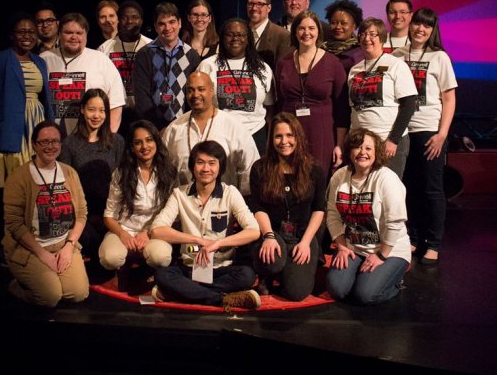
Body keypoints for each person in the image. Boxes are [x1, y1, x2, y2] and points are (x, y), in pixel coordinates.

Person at [147, 140, 261, 310]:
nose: (206, 169)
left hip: (222, 269)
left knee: (247, 275)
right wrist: (197, 240)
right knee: (163, 275)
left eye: (212, 163)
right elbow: (156, 230)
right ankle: (222, 299)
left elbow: (254, 231)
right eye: (200, 163)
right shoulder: (180, 194)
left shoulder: (230, 193)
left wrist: (218, 244)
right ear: (193, 166)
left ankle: (180, 292)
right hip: (189, 267)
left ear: (220, 167)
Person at [392, 8, 458, 265]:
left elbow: (449, 98)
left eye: (427, 26)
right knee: (408, 189)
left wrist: (442, 134)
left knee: (432, 190)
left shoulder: (439, 57)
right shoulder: (397, 56)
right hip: (403, 131)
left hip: (429, 130)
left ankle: (433, 244)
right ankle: (413, 238)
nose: (421, 29)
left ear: (433, 30)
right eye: (418, 23)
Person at [2, 120, 89, 307]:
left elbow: (82, 213)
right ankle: (17, 287)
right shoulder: (18, 177)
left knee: (78, 293)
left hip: (64, 245)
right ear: (34, 145)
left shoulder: (70, 173)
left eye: (55, 141)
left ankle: (53, 279)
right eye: (45, 142)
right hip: (31, 249)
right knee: (50, 297)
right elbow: (14, 223)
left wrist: (69, 246)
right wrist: (41, 254)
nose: (51, 146)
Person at [325, 128, 411, 305]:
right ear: (350, 151)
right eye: (357, 147)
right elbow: (332, 214)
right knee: (337, 290)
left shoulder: (387, 178)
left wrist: (381, 256)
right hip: (354, 247)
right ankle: (363, 274)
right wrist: (341, 246)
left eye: (368, 148)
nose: (362, 152)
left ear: (376, 152)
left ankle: (395, 281)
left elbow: (395, 222)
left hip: (389, 250)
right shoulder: (339, 177)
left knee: (365, 295)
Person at [248, 112, 326, 301]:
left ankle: (288, 271)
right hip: (273, 233)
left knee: (296, 292)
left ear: (298, 137)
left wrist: (306, 242)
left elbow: (319, 209)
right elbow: (258, 208)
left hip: (301, 235)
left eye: (290, 135)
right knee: (273, 260)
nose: (284, 141)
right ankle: (268, 273)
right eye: (278, 136)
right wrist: (268, 236)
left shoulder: (314, 169)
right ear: (271, 139)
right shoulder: (260, 168)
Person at [0, 12, 54, 199]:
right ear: (12, 35)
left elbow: (46, 99)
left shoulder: (40, 62)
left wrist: (52, 130)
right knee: (14, 193)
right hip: (10, 134)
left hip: (36, 126)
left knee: (36, 191)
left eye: (31, 32)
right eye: (21, 32)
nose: (27, 36)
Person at [100, 120, 177, 289]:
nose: (145, 146)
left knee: (161, 257)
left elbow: (172, 214)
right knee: (110, 257)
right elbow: (109, 216)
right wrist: (122, 234)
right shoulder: (122, 173)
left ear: (157, 141)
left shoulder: (169, 173)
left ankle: (147, 272)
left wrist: (149, 232)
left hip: (154, 231)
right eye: (138, 142)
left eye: (149, 140)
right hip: (125, 230)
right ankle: (124, 269)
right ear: (132, 147)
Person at [58, 89, 125, 273]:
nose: (97, 116)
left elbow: (122, 183)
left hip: (110, 214)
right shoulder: (69, 144)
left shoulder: (117, 142)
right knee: (90, 242)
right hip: (82, 215)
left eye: (102, 111)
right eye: (91, 110)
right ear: (82, 110)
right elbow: (66, 187)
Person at [162, 71, 260, 196]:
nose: (195, 94)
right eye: (190, 90)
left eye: (201, 89)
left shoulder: (233, 126)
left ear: (212, 90)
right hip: (184, 208)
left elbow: (249, 168)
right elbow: (164, 172)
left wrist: (242, 202)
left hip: (224, 207)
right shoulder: (174, 129)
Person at [275, 11, 349, 175]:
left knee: (318, 181)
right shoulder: (283, 63)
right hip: (289, 134)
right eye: (301, 28)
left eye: (311, 28)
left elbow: (342, 109)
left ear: (318, 31)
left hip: (321, 133)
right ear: (295, 32)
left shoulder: (333, 63)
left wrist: (340, 144)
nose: (306, 33)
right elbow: (279, 103)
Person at [348, 17, 417, 179]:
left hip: (388, 140)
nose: (367, 38)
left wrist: (393, 140)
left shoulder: (396, 65)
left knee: (388, 191)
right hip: (361, 144)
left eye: (373, 34)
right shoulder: (354, 70)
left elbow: (409, 104)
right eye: (363, 34)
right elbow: (351, 108)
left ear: (382, 38)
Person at [198, 17, 275, 154]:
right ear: (222, 38)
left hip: (255, 134)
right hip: (218, 134)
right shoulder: (208, 65)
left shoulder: (263, 68)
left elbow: (270, 109)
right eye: (230, 34)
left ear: (248, 38)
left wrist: (268, 139)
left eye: (240, 35)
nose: (235, 39)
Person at [41, 12, 126, 136]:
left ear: (86, 35)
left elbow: (116, 104)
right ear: (59, 34)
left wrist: (109, 136)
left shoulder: (101, 60)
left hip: (91, 140)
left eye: (79, 33)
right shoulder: (44, 60)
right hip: (51, 140)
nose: (74, 37)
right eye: (68, 33)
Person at [134, 2, 201, 131]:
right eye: (162, 23)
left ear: (180, 23)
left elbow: (193, 94)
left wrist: (186, 124)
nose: (167, 27)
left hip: (184, 126)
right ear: (155, 27)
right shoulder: (144, 54)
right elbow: (141, 97)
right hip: (153, 128)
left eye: (172, 22)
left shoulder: (192, 55)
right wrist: (154, 128)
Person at [98, 0, 152, 135]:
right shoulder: (105, 48)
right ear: (118, 20)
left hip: (143, 113)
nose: (129, 21)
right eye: (125, 17)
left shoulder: (151, 46)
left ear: (141, 20)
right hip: (114, 112)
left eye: (135, 17)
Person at [246, 0, 292, 71]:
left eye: (260, 4)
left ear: (269, 8)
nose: (254, 8)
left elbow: (283, 72)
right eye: (250, 4)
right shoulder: (240, 33)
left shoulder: (283, 36)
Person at [323, 0, 364, 73]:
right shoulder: (321, 50)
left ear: (354, 26)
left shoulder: (360, 52)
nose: (338, 27)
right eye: (333, 23)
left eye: (343, 23)